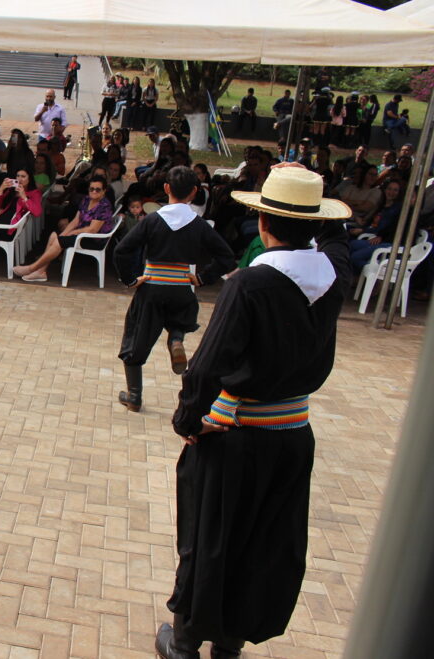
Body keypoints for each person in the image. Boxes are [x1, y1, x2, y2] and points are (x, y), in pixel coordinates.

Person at [157, 163, 351, 659]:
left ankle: (183, 643)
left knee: (209, 536)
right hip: (292, 433)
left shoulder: (251, 284)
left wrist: (188, 421)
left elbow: (205, 369)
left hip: (235, 434)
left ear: (263, 225)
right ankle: (230, 644)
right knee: (263, 542)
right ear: (313, 224)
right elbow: (335, 245)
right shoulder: (335, 274)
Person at [114, 166, 235, 412]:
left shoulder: (152, 220)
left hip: (152, 288)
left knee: (136, 339)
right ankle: (176, 340)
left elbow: (121, 250)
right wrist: (202, 277)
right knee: (178, 321)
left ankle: (134, 395)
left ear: (166, 188)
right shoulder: (199, 225)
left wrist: (130, 279)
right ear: (193, 192)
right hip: (182, 288)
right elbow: (226, 257)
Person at [14, 176, 116, 282]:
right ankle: (41, 272)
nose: (94, 191)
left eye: (98, 189)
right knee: (55, 235)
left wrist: (72, 233)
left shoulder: (104, 206)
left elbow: (92, 230)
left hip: (93, 239)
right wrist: (65, 233)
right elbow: (76, 220)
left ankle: (31, 268)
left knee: (59, 241)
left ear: (104, 191)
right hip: (81, 234)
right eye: (92, 189)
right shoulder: (86, 199)